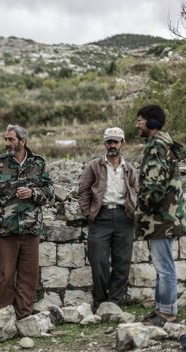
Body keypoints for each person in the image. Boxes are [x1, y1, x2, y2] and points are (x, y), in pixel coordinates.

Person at [0, 124, 54, 320]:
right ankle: (3, 318)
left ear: (23, 141)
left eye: (11, 139)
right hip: (6, 229)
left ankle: (24, 317)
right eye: (5, 139)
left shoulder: (38, 163)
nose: (7, 143)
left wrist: (33, 192)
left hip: (31, 229)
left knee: (28, 277)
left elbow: (50, 192)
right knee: (5, 276)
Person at [135, 104, 186, 326]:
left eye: (140, 120)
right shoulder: (164, 144)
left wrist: (143, 207)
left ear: (151, 123)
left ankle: (167, 313)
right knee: (161, 266)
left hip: (161, 218)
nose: (137, 124)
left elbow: (154, 186)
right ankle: (160, 309)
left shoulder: (157, 146)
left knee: (164, 266)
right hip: (167, 216)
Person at [76, 127, 138, 311]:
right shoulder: (94, 165)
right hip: (100, 217)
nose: (112, 145)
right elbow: (83, 190)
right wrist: (88, 213)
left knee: (122, 262)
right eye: (109, 141)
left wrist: (133, 208)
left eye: (116, 141)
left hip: (124, 217)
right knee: (98, 261)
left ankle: (115, 302)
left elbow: (136, 190)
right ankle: (100, 303)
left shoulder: (129, 168)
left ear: (122, 144)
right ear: (105, 144)